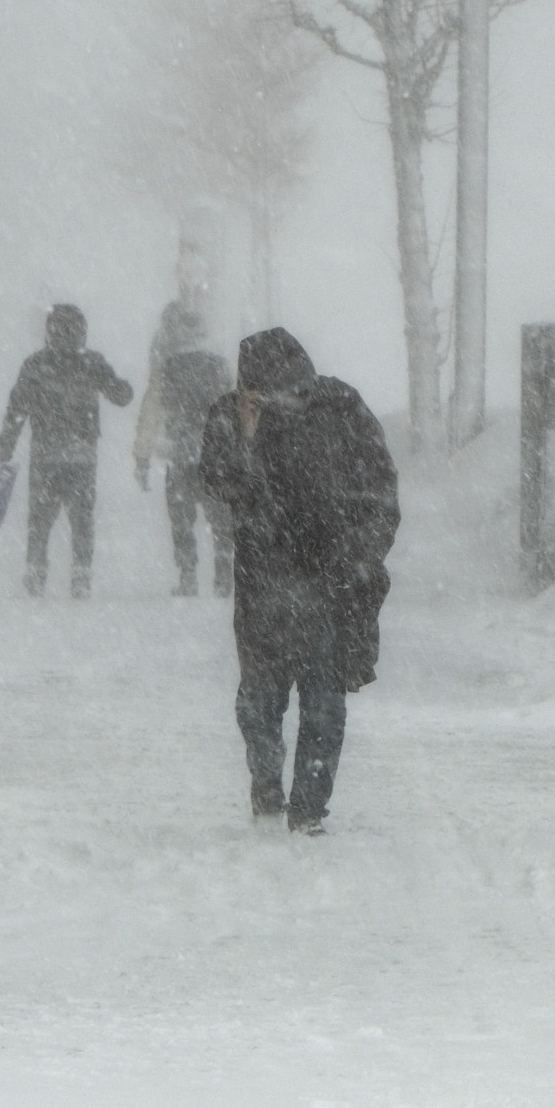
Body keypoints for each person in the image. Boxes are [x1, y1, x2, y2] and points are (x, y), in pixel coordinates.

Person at [199, 327, 398, 834]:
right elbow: (220, 482)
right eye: (263, 393)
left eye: (286, 391)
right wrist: (245, 434)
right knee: (259, 703)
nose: (278, 403)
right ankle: (267, 786)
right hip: (263, 581)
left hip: (330, 582)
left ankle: (309, 809)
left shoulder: (339, 407)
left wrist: (360, 556)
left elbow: (379, 487)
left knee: (324, 705)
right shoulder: (232, 414)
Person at [0, 304, 133, 598]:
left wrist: (5, 449)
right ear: (82, 332)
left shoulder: (35, 365)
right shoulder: (92, 363)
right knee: (81, 518)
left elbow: (16, 410)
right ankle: (81, 575)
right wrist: (123, 386)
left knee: (40, 519)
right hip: (82, 455)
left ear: (50, 332)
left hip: (45, 455)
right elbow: (121, 396)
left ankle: (35, 571)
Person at [133, 302, 235, 598]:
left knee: (181, 516)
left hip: (182, 454)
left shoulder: (169, 368)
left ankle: (188, 575)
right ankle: (223, 576)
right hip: (217, 455)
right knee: (221, 519)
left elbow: (151, 413)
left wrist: (142, 456)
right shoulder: (221, 366)